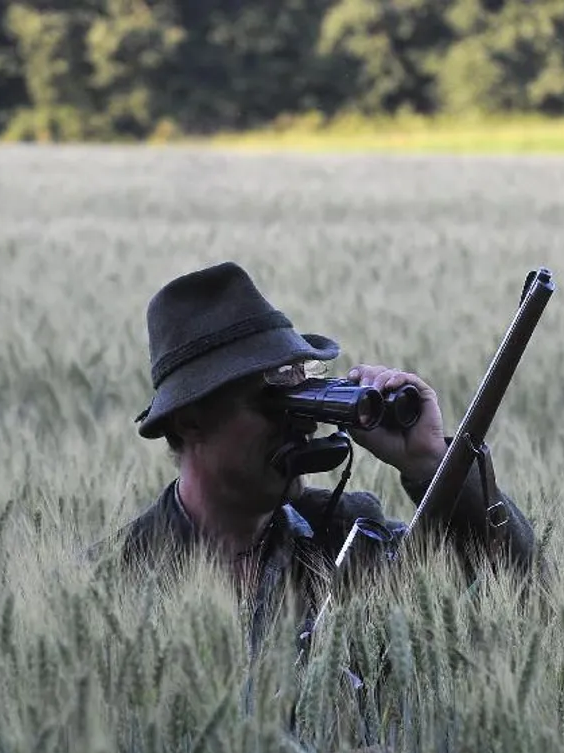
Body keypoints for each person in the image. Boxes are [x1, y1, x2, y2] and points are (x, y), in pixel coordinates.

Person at [87, 261, 539, 663]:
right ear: (190, 420)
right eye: (275, 403)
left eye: (304, 398)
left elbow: (525, 599)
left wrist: (431, 464)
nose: (303, 425)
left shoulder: (349, 538)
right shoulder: (107, 583)